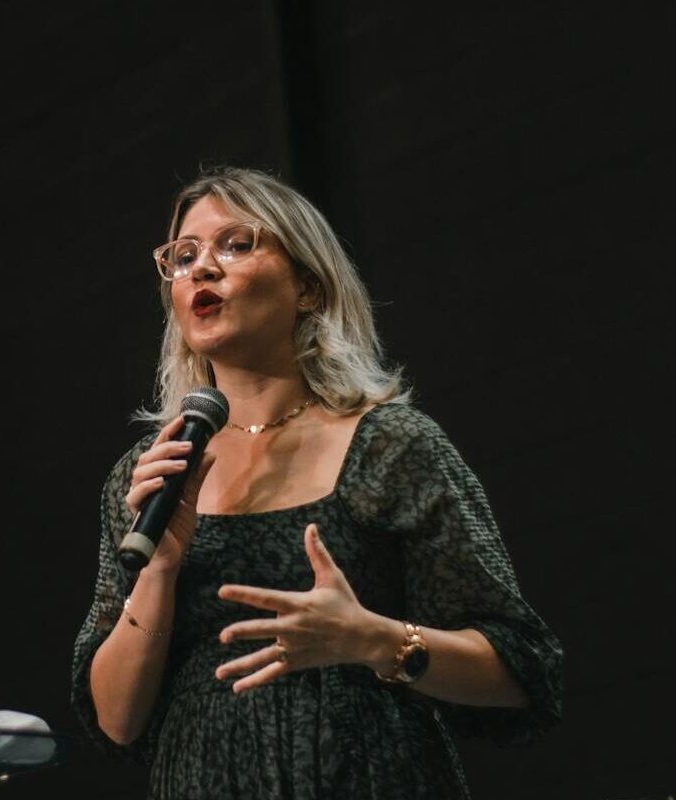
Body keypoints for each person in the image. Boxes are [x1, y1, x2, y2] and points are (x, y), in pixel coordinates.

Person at [70, 167, 562, 799]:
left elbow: (523, 670)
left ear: (307, 286)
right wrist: (161, 567)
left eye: (236, 244)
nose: (202, 269)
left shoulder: (390, 443)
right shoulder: (152, 473)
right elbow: (116, 720)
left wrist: (376, 640)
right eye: (183, 256)